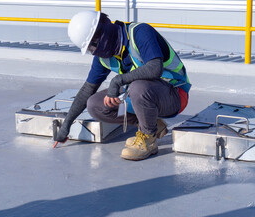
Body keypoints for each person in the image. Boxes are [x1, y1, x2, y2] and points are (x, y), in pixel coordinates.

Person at [54, 10, 191, 161]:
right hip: (143, 94)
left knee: (138, 87)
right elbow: (88, 89)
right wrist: (66, 124)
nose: (93, 51)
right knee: (95, 104)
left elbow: (155, 68)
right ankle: (150, 124)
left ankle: (148, 139)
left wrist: (117, 80)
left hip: (174, 94)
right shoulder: (103, 57)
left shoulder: (139, 33)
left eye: (92, 46)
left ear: (101, 34)